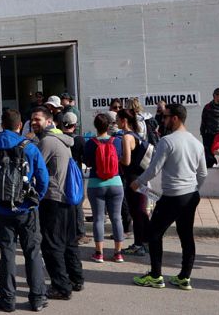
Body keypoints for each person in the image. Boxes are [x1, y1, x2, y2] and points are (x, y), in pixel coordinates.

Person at [132, 104, 207, 291]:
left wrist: (137, 182)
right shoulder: (197, 142)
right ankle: (184, 277)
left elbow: (154, 169)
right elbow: (203, 173)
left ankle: (156, 276)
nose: (162, 120)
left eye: (165, 117)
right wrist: (193, 187)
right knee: (186, 235)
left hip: (173, 196)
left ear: (175, 118)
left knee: (153, 234)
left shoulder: (167, 141)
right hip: (190, 195)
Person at [0, 109, 49, 313]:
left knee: (7, 253)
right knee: (33, 252)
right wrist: (36, 198)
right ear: (20, 126)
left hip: (2, 209)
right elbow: (43, 178)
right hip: (26, 209)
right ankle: (37, 297)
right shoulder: (29, 147)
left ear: (2, 125)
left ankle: (8, 299)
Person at [30, 106, 83, 300]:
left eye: (38, 119)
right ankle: (76, 279)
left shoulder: (47, 142)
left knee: (52, 244)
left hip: (53, 198)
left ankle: (61, 286)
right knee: (69, 242)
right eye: (32, 119)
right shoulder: (63, 139)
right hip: (67, 197)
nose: (34, 122)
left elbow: (35, 169)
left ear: (49, 121)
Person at [83, 112, 125, 263]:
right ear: (108, 126)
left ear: (95, 126)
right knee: (116, 218)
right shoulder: (117, 141)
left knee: (99, 219)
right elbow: (120, 158)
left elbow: (87, 163)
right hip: (115, 183)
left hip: (96, 183)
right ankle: (118, 253)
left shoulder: (90, 143)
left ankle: (99, 253)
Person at [117, 109, 150, 256]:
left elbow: (127, 160)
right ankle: (143, 243)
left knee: (137, 212)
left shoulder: (126, 137)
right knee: (140, 212)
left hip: (132, 179)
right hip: (141, 177)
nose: (116, 122)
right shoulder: (137, 135)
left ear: (124, 121)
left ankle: (140, 244)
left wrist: (116, 158)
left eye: (118, 119)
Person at [59, 112, 90, 245]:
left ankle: (65, 231)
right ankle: (80, 233)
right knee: (77, 202)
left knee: (63, 202)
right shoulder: (79, 140)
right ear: (75, 125)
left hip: (60, 173)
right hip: (76, 174)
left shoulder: (58, 138)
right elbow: (86, 159)